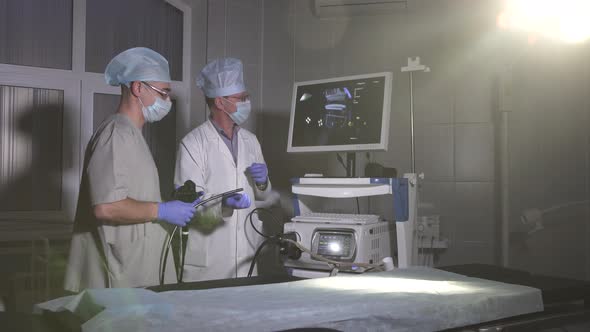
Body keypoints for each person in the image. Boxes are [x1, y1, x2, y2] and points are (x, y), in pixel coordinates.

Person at [64, 47, 199, 292]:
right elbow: (107, 207)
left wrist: (168, 207)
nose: (167, 101)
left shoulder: (131, 135)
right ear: (138, 88)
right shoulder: (117, 133)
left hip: (134, 271)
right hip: (116, 278)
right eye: (164, 93)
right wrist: (162, 210)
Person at [174, 57, 273, 281]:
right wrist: (223, 204)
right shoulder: (193, 143)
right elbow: (189, 206)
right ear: (220, 102)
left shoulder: (251, 141)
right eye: (241, 98)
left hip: (246, 253)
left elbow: (263, 196)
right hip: (210, 260)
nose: (247, 102)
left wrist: (263, 182)